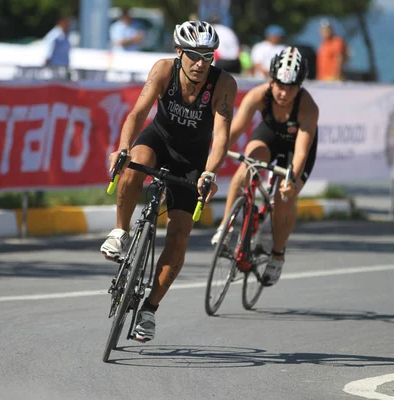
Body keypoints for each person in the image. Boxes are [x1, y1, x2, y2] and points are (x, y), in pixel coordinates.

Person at [100, 20, 237, 341]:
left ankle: (149, 310)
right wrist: (121, 147)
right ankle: (120, 231)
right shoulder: (163, 70)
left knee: (179, 235)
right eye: (193, 55)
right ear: (179, 52)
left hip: (193, 160)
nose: (201, 63)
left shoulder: (223, 84)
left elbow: (221, 137)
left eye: (208, 56)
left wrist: (210, 172)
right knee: (134, 164)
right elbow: (137, 112)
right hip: (159, 139)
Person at [211, 47, 319, 287]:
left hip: (296, 147)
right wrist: (213, 159)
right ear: (271, 79)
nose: (283, 92)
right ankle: (225, 226)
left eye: (291, 87)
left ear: (300, 85)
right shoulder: (259, 95)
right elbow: (233, 131)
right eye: (279, 84)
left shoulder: (307, 107)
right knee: (246, 168)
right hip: (270, 135)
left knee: (283, 197)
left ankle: (277, 254)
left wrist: (292, 181)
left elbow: (301, 152)